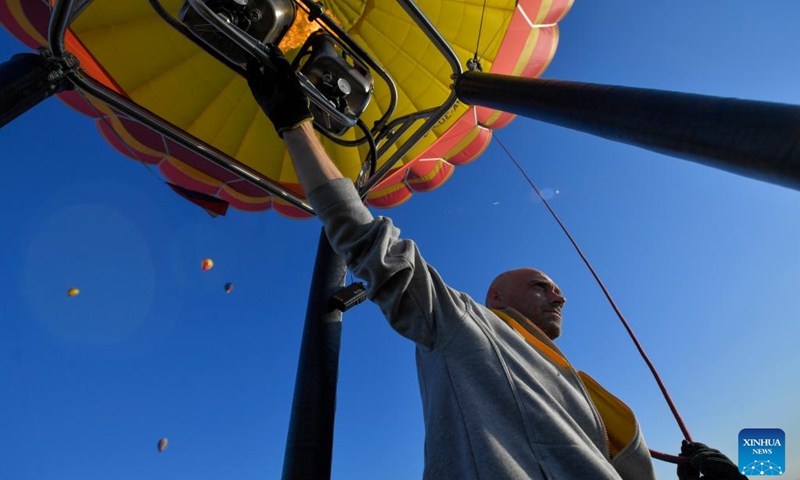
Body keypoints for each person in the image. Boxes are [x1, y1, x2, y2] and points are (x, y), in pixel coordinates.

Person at [246, 50, 746, 480]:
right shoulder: (465, 327)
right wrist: (295, 125)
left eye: (555, 288)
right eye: (540, 285)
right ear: (496, 299)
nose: (560, 295)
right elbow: (367, 241)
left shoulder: (591, 397)